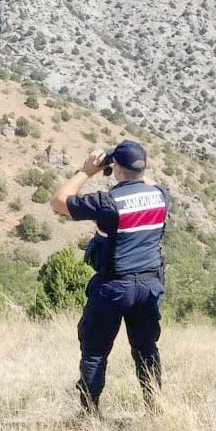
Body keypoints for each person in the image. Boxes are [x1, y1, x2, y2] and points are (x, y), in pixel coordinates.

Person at [50, 139, 169, 413]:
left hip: (114, 286)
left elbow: (58, 201)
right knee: (146, 351)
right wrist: (129, 168)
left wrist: (87, 171)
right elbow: (144, 182)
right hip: (149, 284)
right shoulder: (161, 195)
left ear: (117, 169)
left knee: (94, 352)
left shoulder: (108, 202)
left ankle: (90, 412)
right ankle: (155, 409)